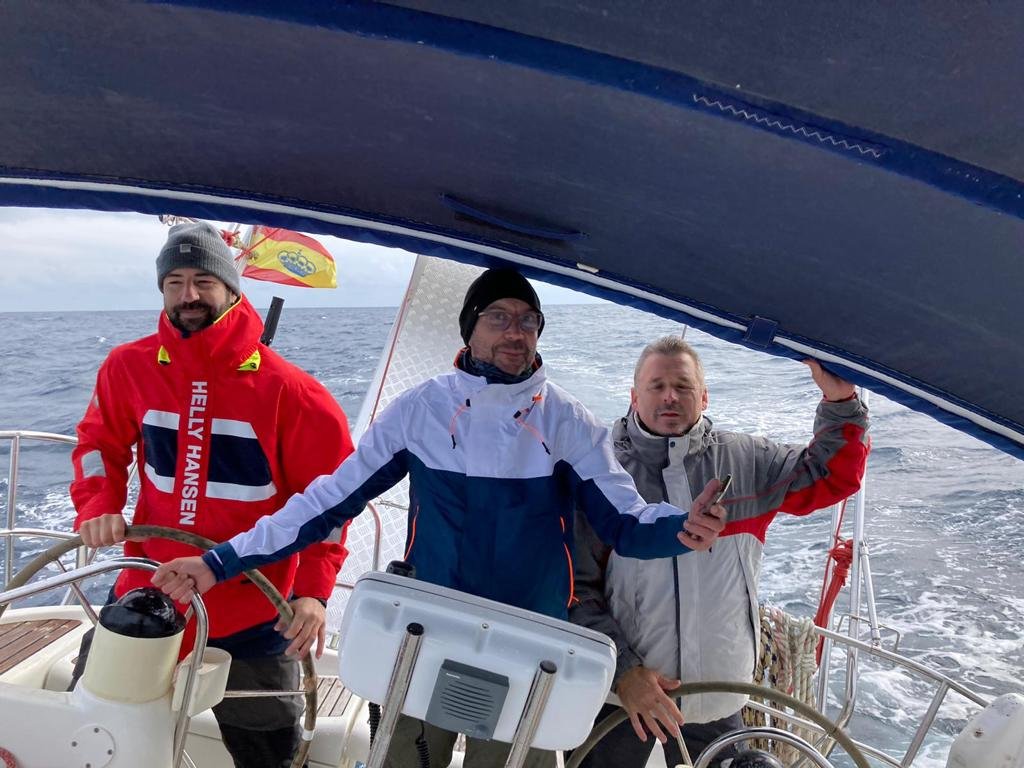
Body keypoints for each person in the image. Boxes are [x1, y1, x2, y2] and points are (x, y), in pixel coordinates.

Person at [151, 268, 728, 768]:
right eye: (499, 317)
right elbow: (325, 502)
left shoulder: (566, 421)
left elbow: (626, 521)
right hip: (430, 627)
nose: (515, 331)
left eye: (528, 320)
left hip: (528, 643)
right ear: (470, 328)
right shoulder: (423, 410)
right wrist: (218, 562)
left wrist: (680, 530)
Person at [69, 220, 355, 768]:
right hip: (148, 591)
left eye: (203, 280)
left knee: (266, 752)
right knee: (89, 730)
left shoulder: (292, 392)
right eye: (174, 281)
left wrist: (314, 592)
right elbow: (96, 446)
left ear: (231, 288)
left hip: (255, 607)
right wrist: (99, 504)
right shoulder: (127, 367)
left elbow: (331, 504)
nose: (189, 295)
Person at [571, 335, 870, 767]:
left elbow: (830, 475)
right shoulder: (602, 474)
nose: (670, 396)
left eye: (683, 386)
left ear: (704, 396)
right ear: (634, 396)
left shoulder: (748, 462)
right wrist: (626, 673)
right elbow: (575, 588)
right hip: (622, 701)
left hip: (719, 699)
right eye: (656, 386)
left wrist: (840, 398)